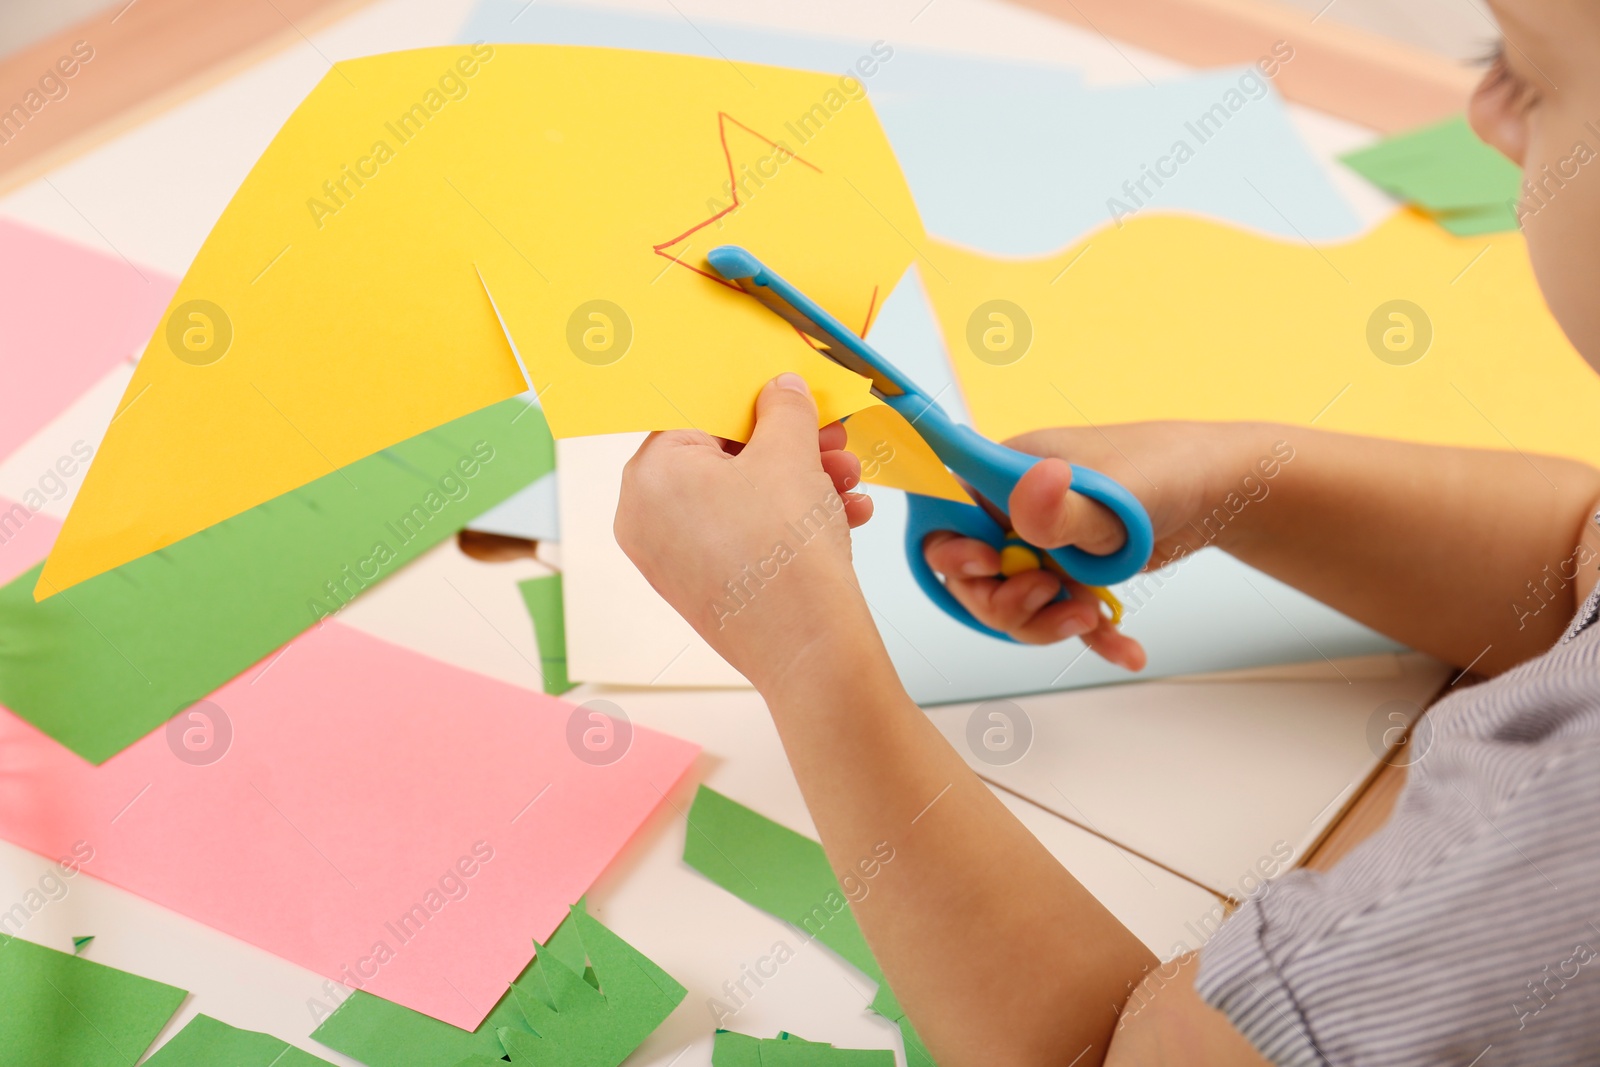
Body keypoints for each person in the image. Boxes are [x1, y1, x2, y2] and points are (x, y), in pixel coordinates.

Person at [616, 1, 1600, 1061]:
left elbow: (1106, 1051)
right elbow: (1570, 569)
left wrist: (805, 649)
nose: (1486, 115)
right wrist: (1233, 481)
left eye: (1528, 76)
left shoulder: (1540, 861)